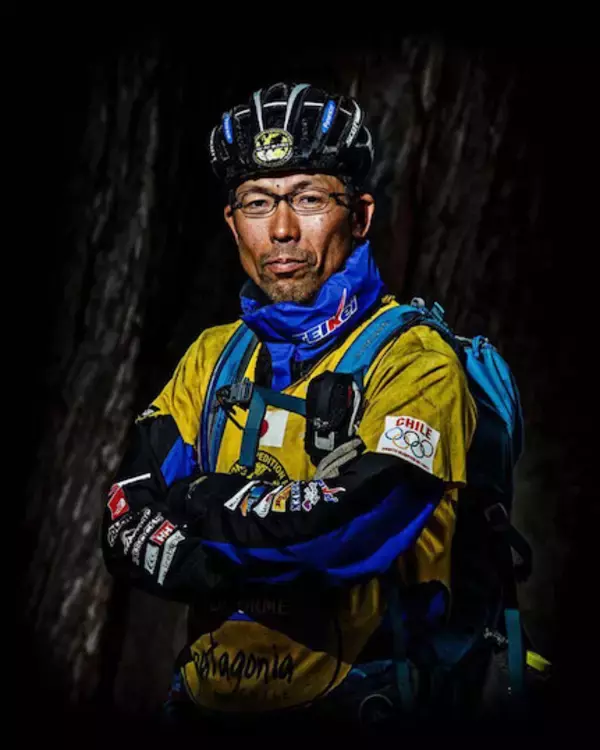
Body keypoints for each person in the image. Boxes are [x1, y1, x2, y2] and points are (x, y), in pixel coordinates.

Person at [101, 82, 479, 733]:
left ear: (359, 217)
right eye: (257, 201)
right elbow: (124, 516)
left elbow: (346, 532)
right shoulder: (212, 356)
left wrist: (197, 505)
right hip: (205, 710)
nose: (281, 229)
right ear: (232, 223)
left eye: (308, 198)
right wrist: (263, 534)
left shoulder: (416, 360)